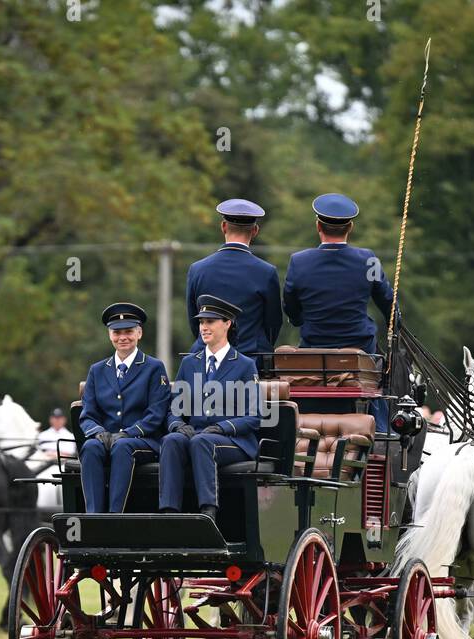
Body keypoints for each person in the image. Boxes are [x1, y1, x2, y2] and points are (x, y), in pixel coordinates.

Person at [282, 193, 398, 430]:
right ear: (351, 227)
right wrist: (394, 327)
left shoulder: (299, 262)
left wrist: (300, 320)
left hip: (314, 351)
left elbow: (290, 307)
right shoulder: (367, 260)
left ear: (318, 226)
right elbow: (388, 302)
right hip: (359, 355)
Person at [159, 295, 261, 522]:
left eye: (210, 322)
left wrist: (221, 427)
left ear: (228, 323)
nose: (203, 327)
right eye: (201, 322)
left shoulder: (245, 365)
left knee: (201, 442)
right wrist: (177, 424)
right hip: (197, 436)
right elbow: (175, 408)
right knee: (171, 440)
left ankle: (208, 513)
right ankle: (168, 514)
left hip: (234, 442)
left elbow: (255, 416)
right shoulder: (189, 363)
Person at [77, 302, 171, 513]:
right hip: (107, 440)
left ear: (139, 333)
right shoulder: (97, 370)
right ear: (109, 335)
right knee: (90, 447)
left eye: (128, 331)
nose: (123, 337)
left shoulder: (154, 367)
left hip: (143, 441)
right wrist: (99, 433)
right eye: (116, 332)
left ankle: (114, 516)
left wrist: (127, 433)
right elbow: (88, 415)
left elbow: (156, 413)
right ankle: (93, 516)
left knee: (123, 447)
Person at [184, 199, 283, 359]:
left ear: (223, 227)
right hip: (252, 357)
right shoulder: (266, 272)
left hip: (208, 356)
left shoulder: (198, 269)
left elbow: (194, 320)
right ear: (255, 230)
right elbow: (273, 324)